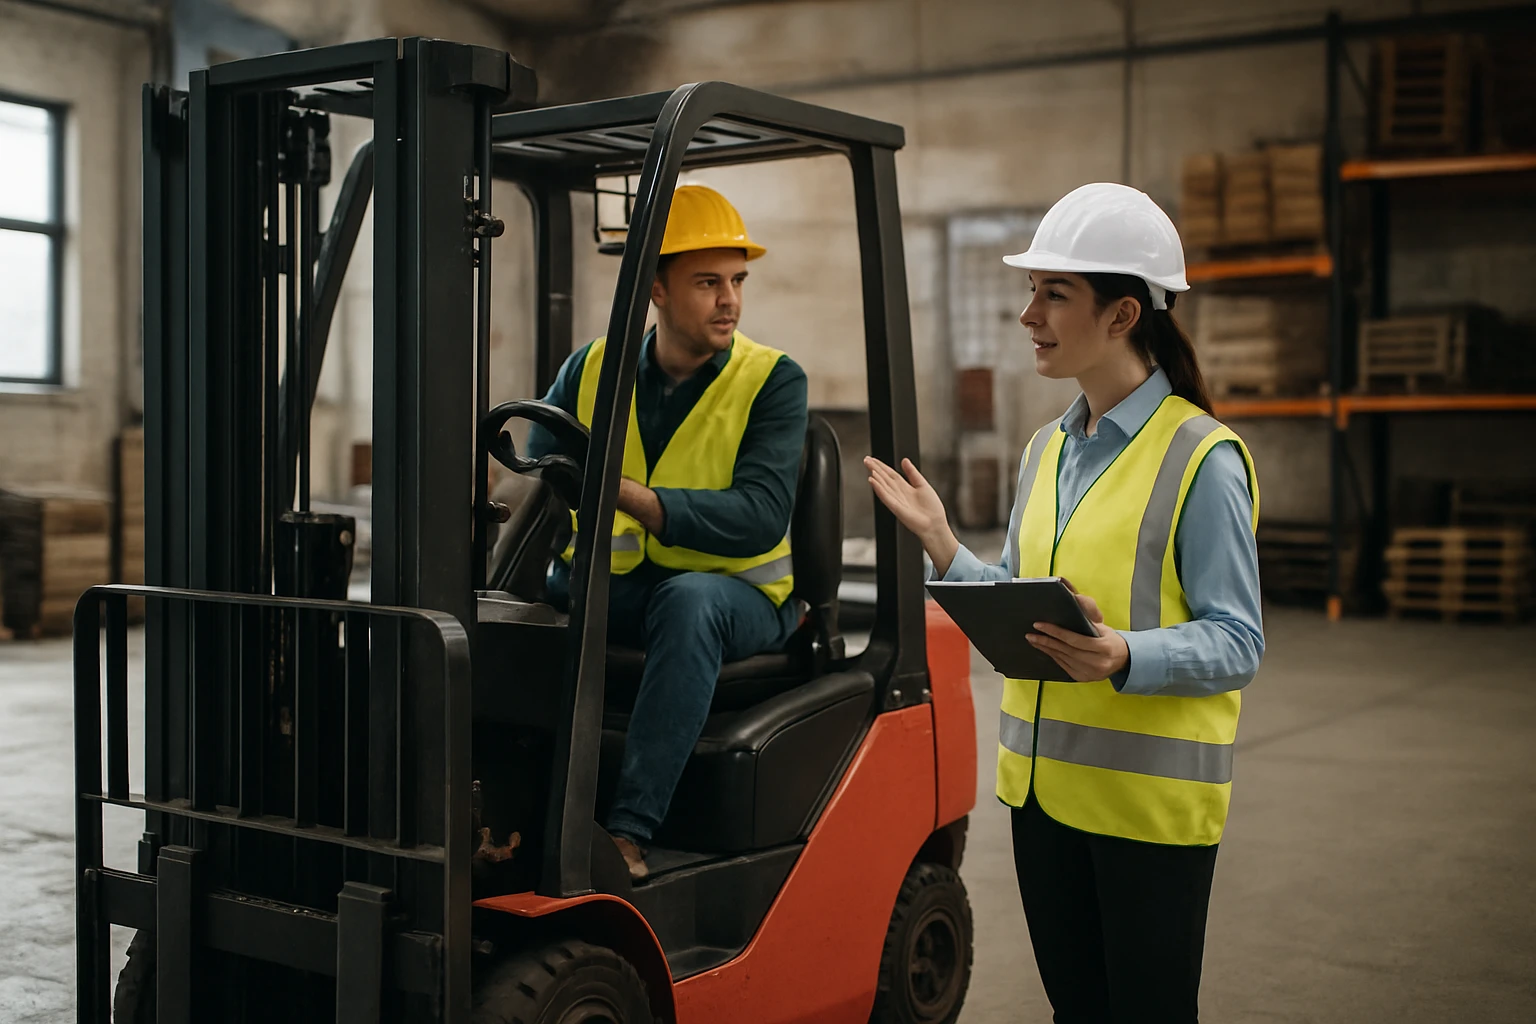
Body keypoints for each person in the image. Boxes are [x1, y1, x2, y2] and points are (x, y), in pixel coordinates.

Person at [865, 182, 1263, 1024]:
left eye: (1054, 294)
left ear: (1122, 316)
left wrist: (1126, 653)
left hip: (1148, 812)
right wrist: (944, 545)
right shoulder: (1047, 450)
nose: (1028, 314)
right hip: (1043, 800)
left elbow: (1238, 641)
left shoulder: (1203, 457)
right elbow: (1021, 603)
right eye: (1030, 291)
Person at [526, 185, 808, 881]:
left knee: (689, 602)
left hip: (739, 597)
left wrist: (626, 495)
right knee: (520, 606)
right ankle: (511, 804)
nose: (730, 301)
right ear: (655, 286)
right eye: (708, 282)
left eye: (736, 281)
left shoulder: (772, 381)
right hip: (620, 586)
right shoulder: (590, 368)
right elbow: (538, 462)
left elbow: (760, 516)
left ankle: (628, 830)